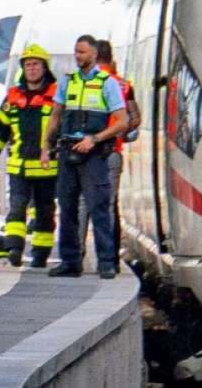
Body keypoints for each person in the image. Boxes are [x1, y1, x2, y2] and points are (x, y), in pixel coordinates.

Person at [41, 35, 128, 279]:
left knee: (99, 207)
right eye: (76, 52)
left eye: (82, 52)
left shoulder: (107, 83)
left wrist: (95, 139)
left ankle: (106, 262)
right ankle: (70, 262)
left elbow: (122, 121)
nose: (78, 56)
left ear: (93, 54)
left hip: (93, 154)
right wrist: (46, 147)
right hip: (68, 151)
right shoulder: (67, 82)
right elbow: (56, 115)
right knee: (67, 208)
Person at [0, 44, 58, 270]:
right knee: (16, 208)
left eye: (36, 64)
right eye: (28, 65)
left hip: (47, 168)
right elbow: (1, 130)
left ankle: (40, 255)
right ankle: (14, 249)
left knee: (45, 212)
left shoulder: (56, 96)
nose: (32, 69)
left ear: (44, 68)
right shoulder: (13, 96)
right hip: (19, 167)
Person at [77, 39, 140, 266]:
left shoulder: (83, 82)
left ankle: (77, 253)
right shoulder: (123, 85)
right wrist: (119, 132)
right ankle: (109, 258)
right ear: (112, 59)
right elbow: (135, 118)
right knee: (107, 204)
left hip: (85, 151)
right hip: (112, 151)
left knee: (83, 202)